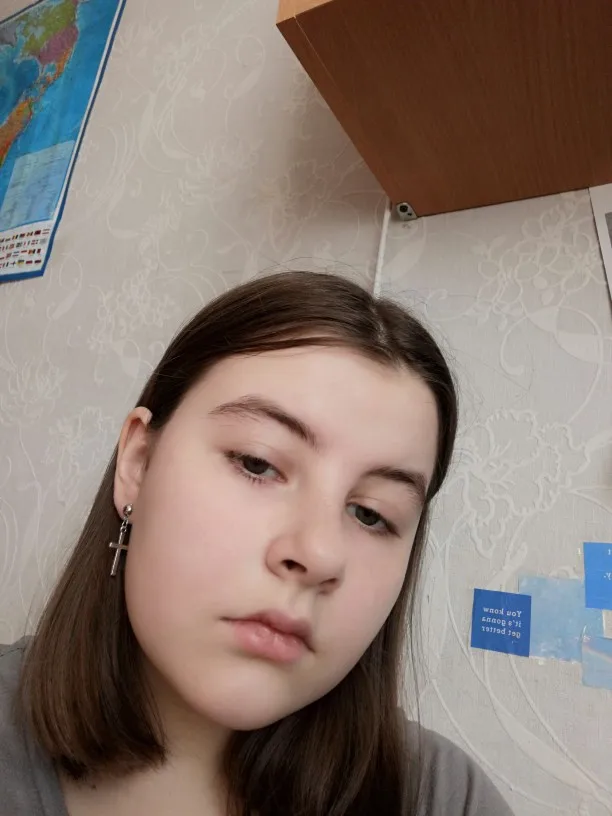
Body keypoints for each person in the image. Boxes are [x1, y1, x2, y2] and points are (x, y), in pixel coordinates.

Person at [0, 271, 513, 815]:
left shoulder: (445, 797)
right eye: (257, 463)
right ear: (138, 464)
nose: (319, 553)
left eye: (371, 514)